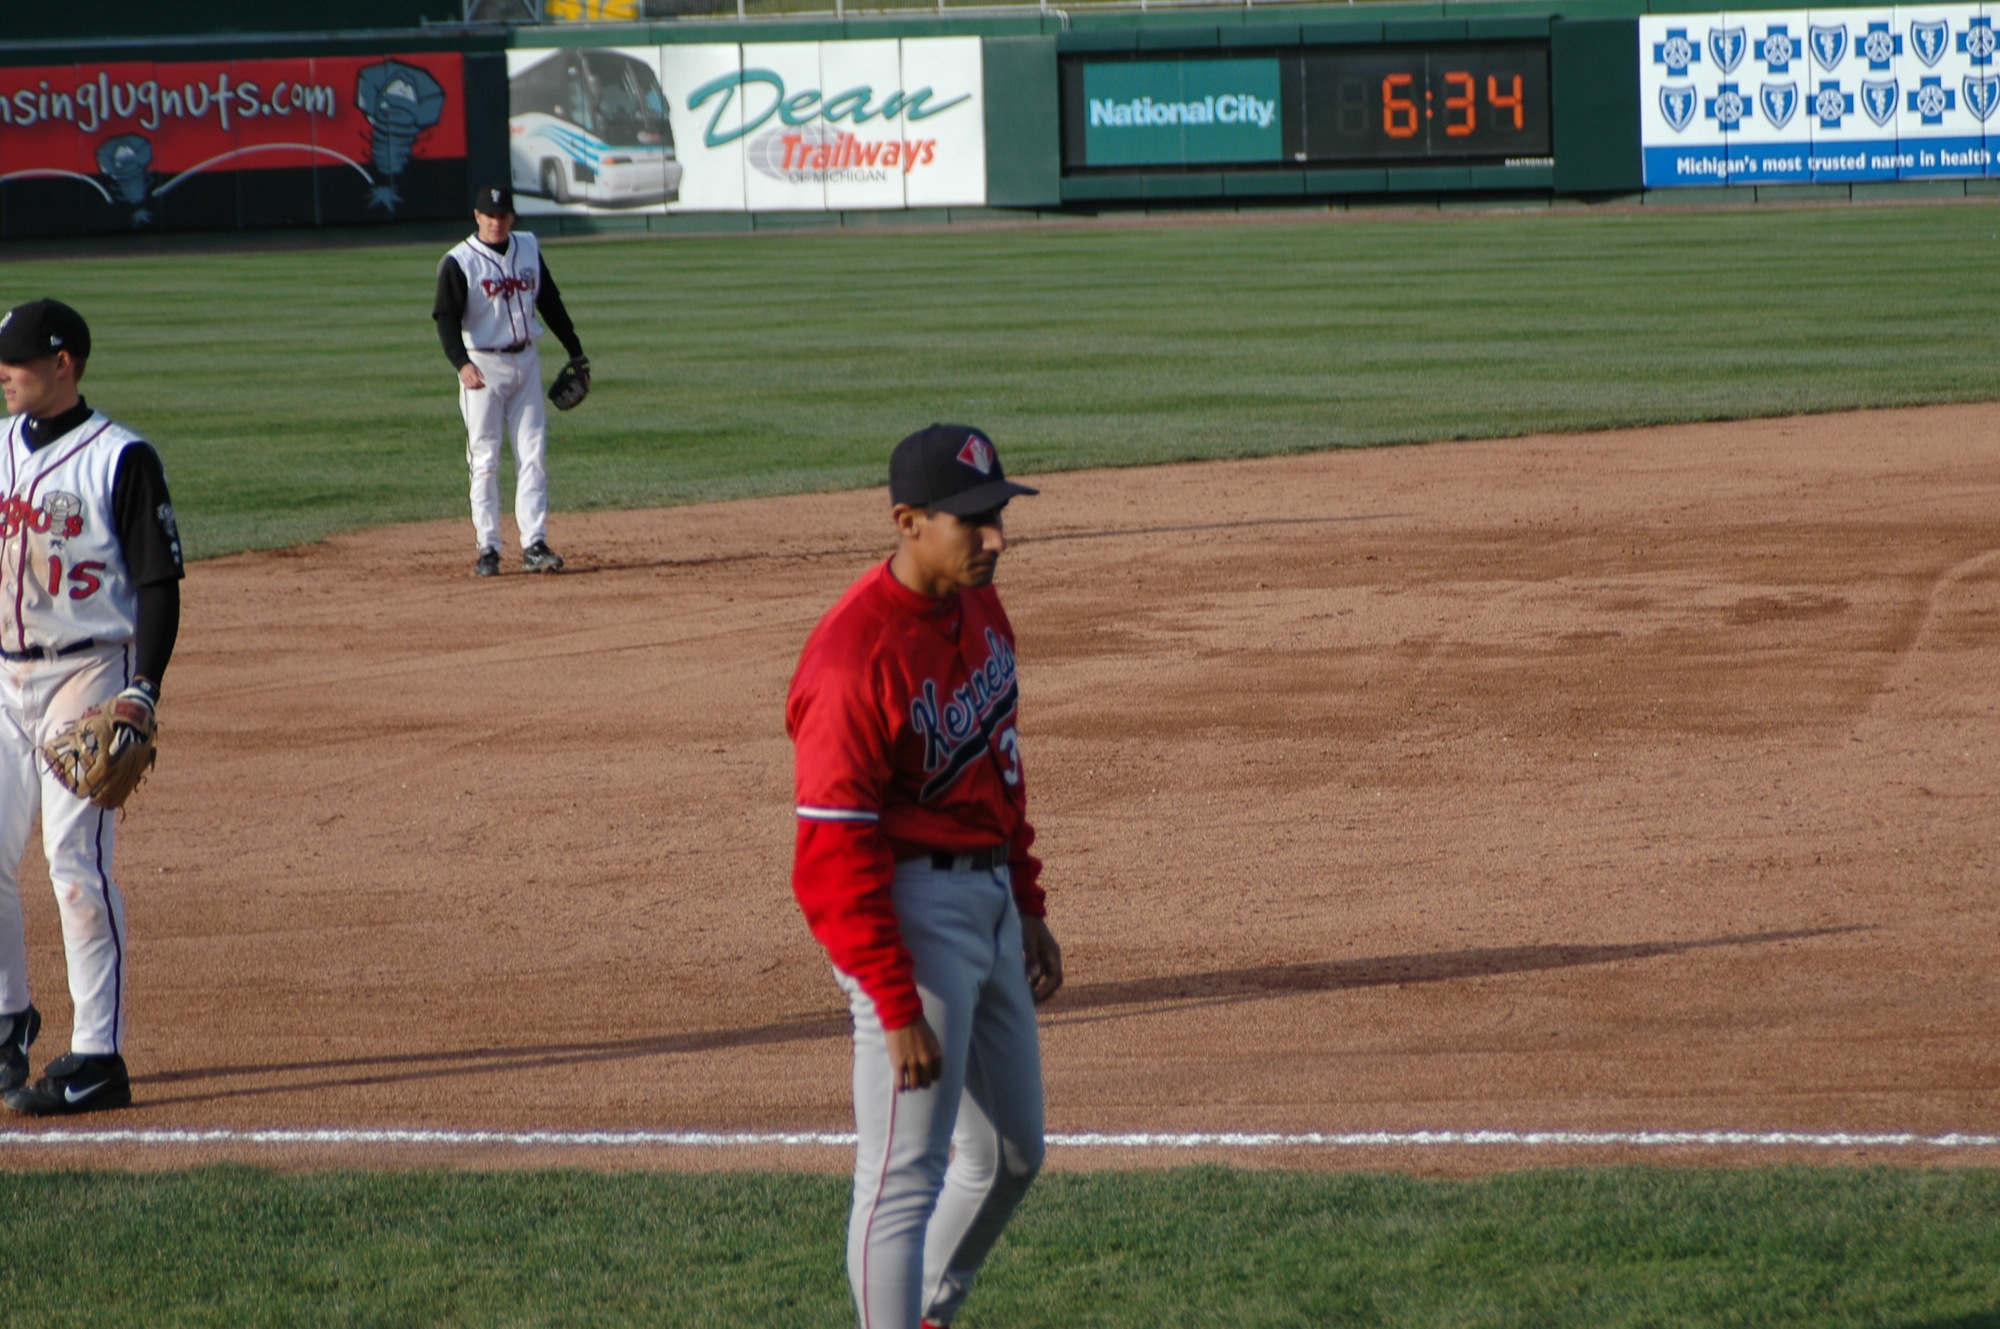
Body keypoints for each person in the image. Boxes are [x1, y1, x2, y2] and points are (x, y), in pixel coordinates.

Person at [786, 423, 1064, 1329]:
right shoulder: (850, 657)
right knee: (904, 1175)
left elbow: (999, 765)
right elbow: (831, 856)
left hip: (987, 899)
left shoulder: (982, 610)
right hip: (907, 916)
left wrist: (1025, 897)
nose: (996, 538)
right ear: (908, 521)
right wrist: (893, 1000)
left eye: (998, 516)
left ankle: (927, 1312)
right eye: (974, 520)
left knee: (1014, 1152)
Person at [0, 297, 184, 1116]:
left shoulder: (120, 457)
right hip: (3, 677)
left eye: (17, 360)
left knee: (75, 866)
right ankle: (9, 1023)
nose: (4, 372)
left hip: (87, 675)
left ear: (62, 362)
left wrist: (140, 690)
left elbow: (156, 581)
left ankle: (99, 1056)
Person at [432, 183, 586, 578]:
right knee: (484, 458)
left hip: (526, 362)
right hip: (482, 367)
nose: (496, 222)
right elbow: (446, 317)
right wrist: (460, 363)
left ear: (511, 218)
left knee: (533, 453)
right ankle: (488, 548)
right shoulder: (460, 261)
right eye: (489, 216)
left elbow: (548, 299)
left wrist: (574, 348)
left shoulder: (528, 247)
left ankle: (534, 543)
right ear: (477, 217)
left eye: (502, 216)